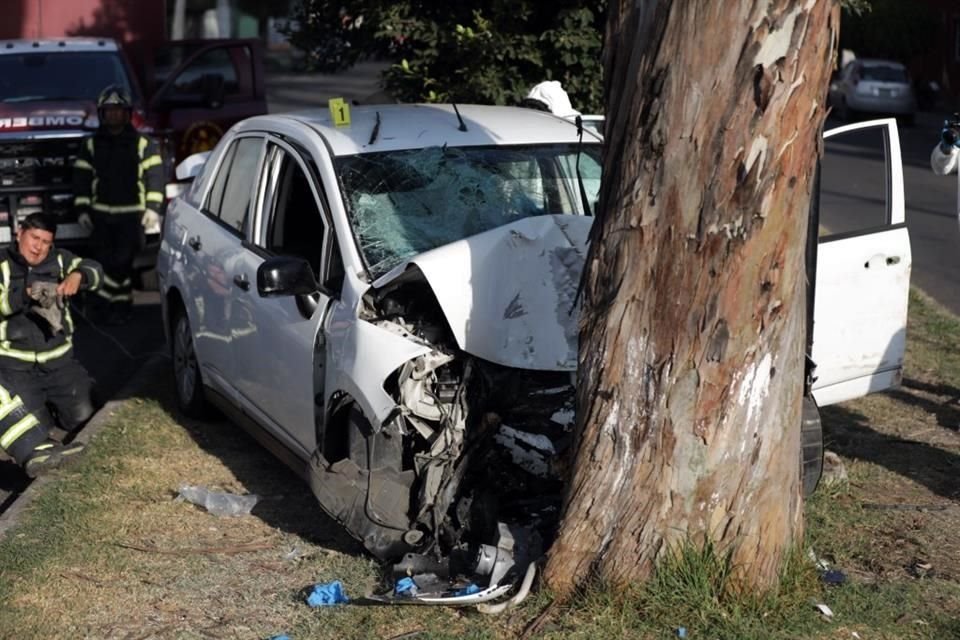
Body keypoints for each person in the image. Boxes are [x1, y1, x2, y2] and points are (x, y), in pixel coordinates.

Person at [0, 213, 104, 477]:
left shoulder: (60, 260)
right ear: (19, 233)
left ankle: (60, 405)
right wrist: (22, 296)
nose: (39, 247)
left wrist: (79, 276)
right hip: (16, 366)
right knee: (32, 425)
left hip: (59, 362)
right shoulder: (2, 265)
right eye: (35, 238)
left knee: (84, 415)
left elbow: (95, 269)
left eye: (46, 242)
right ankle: (41, 422)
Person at [73, 84, 164, 325]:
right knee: (106, 263)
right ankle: (121, 308)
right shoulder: (91, 145)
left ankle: (98, 304)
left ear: (127, 113)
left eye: (118, 110)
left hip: (132, 218)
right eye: (109, 110)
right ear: (102, 113)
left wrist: (153, 209)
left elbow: (155, 176)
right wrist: (82, 209)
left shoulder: (144, 144)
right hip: (101, 217)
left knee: (122, 264)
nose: (113, 115)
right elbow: (82, 178)